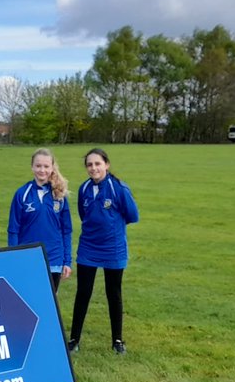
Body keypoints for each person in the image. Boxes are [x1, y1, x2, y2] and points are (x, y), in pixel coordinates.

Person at [68, 148, 139, 355]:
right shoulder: (84, 189)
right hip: (88, 247)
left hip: (113, 249)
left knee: (113, 293)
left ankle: (117, 340)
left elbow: (132, 215)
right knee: (83, 292)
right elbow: (84, 215)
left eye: (97, 163)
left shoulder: (118, 188)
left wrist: (112, 227)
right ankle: (74, 340)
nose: (93, 168)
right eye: (89, 165)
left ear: (106, 164)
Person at [7, 148, 72, 294]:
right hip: (28, 257)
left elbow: (66, 231)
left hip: (54, 258)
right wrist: (13, 258)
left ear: (52, 168)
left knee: (49, 302)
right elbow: (13, 229)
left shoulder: (59, 194)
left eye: (46, 166)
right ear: (32, 167)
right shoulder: (22, 194)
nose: (42, 170)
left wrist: (67, 261)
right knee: (30, 300)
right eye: (38, 166)